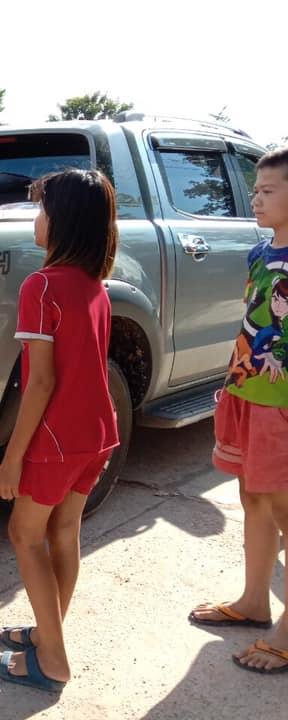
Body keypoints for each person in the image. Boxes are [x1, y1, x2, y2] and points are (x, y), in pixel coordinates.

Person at [0, 168, 120, 693]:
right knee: (65, 532)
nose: (35, 218)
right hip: (98, 433)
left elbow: (40, 382)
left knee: (24, 534)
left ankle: (54, 659)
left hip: (58, 438)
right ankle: (48, 635)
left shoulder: (40, 285)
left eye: (42, 209)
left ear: (62, 222)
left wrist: (12, 457)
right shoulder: (96, 286)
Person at [188, 146, 288, 674]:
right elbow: (251, 325)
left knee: (283, 505)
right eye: (256, 190)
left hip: (282, 403)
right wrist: (231, 383)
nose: (255, 198)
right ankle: (254, 601)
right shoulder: (261, 254)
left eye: (268, 191)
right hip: (249, 392)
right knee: (253, 496)